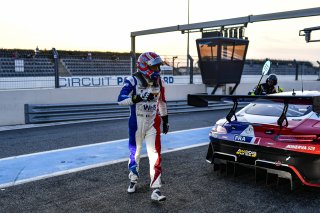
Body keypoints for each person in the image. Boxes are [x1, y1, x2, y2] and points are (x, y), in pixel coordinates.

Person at [117, 52, 169, 202]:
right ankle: (133, 179)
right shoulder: (132, 80)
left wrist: (165, 120)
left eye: (158, 65)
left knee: (155, 155)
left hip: (153, 122)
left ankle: (156, 189)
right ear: (145, 66)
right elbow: (120, 100)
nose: (157, 69)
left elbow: (162, 102)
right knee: (135, 153)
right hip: (136, 122)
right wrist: (138, 97)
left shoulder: (159, 81)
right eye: (155, 66)